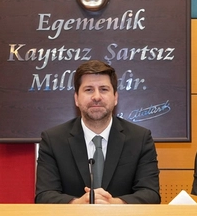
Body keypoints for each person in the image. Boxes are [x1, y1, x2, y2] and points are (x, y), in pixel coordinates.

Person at [35, 60, 160, 204]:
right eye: (89, 90)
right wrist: (78, 203)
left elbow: (150, 194)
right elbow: (44, 195)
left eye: (104, 89)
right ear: (76, 98)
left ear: (115, 97)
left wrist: (113, 204)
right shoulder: (53, 140)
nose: (96, 97)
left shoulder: (140, 139)